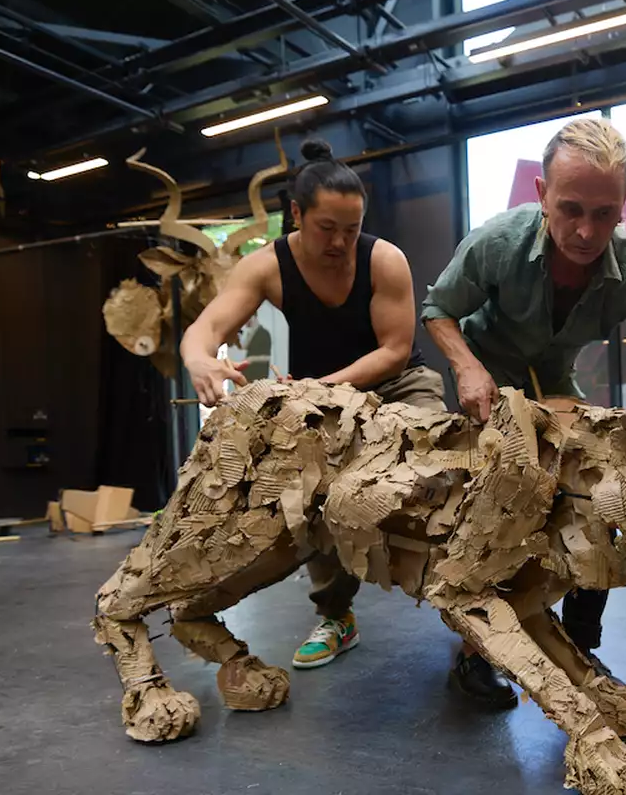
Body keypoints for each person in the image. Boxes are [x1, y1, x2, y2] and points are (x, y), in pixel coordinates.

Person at [422, 117, 626, 707]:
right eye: (570, 209)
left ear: (624, 205)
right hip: (484, 382)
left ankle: (579, 644)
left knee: (597, 498)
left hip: (554, 384)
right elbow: (438, 308)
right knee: (503, 505)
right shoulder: (497, 242)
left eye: (604, 213)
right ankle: (474, 654)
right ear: (541, 195)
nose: (587, 231)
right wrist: (466, 367)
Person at [179, 138, 446, 672]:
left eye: (352, 229)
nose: (341, 242)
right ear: (297, 214)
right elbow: (204, 328)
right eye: (328, 228)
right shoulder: (266, 267)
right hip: (318, 396)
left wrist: (325, 386)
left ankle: (464, 600)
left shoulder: (383, 260)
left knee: (440, 468)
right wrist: (200, 360)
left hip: (395, 384)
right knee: (314, 496)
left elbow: (394, 351)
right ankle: (335, 615)